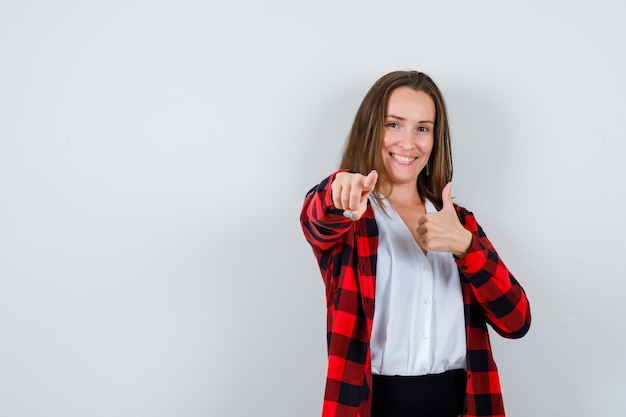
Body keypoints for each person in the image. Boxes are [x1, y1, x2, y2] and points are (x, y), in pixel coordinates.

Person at [300, 70, 531, 417]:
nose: (408, 142)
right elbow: (316, 217)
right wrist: (338, 189)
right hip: (371, 403)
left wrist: (468, 248)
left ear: (435, 138)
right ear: (371, 129)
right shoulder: (351, 217)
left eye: (422, 128)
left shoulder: (458, 221)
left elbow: (517, 321)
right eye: (394, 124)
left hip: (459, 402)